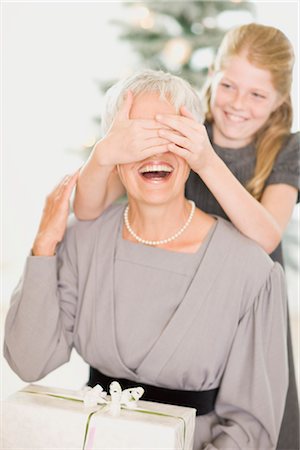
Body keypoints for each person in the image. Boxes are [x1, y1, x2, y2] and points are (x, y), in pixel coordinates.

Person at [4, 70, 289, 450]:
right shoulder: (82, 242)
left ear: (193, 154)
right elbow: (28, 362)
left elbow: (251, 430)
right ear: (113, 157)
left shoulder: (250, 271)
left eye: (171, 136)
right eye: (137, 138)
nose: (156, 152)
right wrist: (44, 245)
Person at [73, 24, 300, 450]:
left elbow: (267, 235)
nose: (237, 104)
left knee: (250, 411)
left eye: (258, 95)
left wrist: (206, 159)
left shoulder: (287, 148)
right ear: (212, 71)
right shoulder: (186, 125)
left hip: (246, 305)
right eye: (229, 84)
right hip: (183, 296)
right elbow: (87, 209)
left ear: (280, 100)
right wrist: (105, 151)